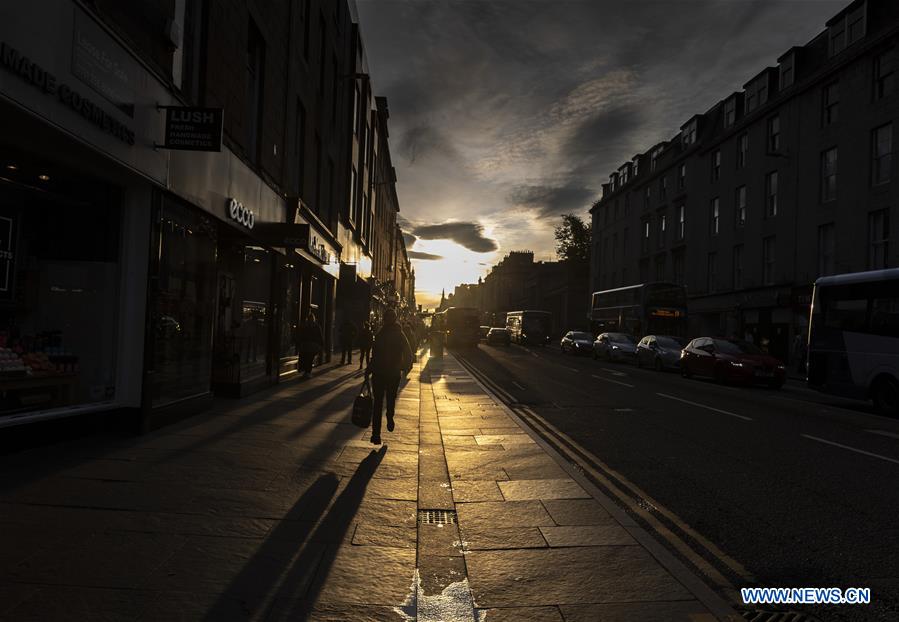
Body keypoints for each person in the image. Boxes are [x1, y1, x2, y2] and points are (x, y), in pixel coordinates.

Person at [365, 308, 412, 445]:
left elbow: (375, 355)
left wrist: (369, 369)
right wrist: (405, 368)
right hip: (393, 373)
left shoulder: (380, 333)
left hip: (379, 373)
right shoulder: (400, 334)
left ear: (385, 319)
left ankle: (376, 434)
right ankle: (390, 416)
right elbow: (408, 352)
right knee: (390, 399)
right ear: (395, 319)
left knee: (378, 403)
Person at [296, 312, 324, 378]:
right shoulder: (316, 326)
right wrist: (321, 344)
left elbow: (301, 335)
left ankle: (306, 371)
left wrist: (299, 343)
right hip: (313, 345)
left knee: (306, 358)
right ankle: (308, 372)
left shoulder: (305, 326)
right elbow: (320, 336)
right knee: (310, 358)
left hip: (305, 344)